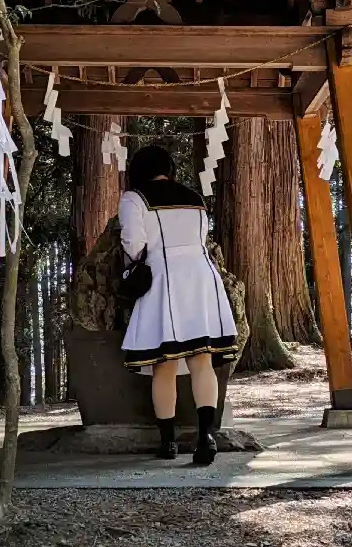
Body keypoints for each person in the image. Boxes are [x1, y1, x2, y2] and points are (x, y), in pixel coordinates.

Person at [118, 144, 238, 465]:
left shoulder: (134, 199)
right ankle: (206, 436)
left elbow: (133, 243)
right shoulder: (195, 198)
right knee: (202, 359)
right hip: (201, 277)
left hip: (163, 278)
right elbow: (202, 237)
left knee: (164, 363)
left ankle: (168, 442)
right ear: (169, 169)